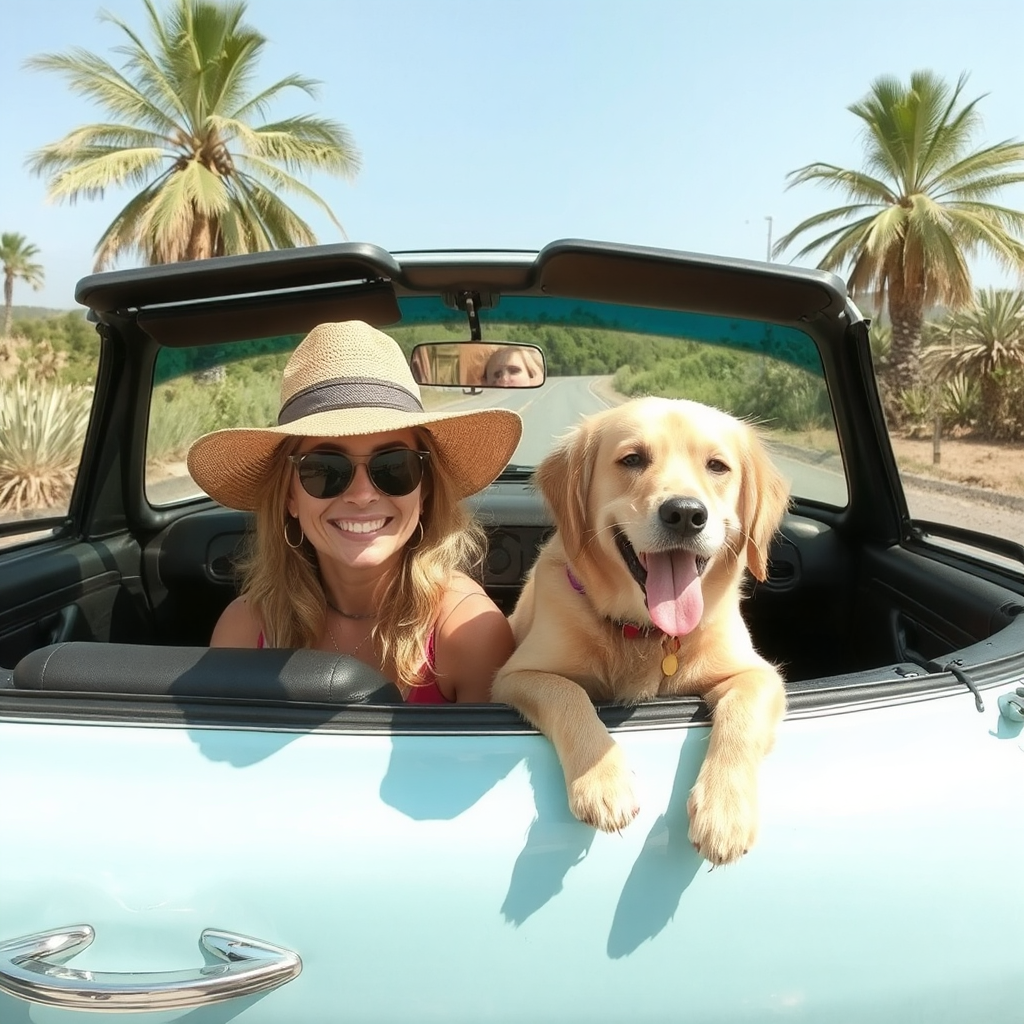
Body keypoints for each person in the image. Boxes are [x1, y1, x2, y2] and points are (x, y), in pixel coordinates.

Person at [186, 320, 523, 703]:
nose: (362, 495)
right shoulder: (244, 630)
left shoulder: (467, 633)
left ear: (425, 489)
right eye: (325, 470)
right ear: (289, 497)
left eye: (394, 466)